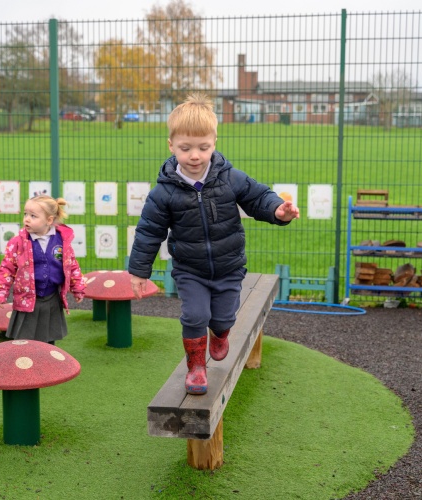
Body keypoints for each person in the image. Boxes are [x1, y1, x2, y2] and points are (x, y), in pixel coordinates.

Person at [128, 93, 299, 395]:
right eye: (185, 148)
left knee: (223, 317)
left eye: (203, 147)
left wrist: (277, 211)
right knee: (195, 316)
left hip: (229, 266)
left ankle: (220, 333)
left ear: (214, 143)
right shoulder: (164, 192)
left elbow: (258, 196)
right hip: (190, 269)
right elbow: (148, 231)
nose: (195, 155)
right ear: (171, 146)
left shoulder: (229, 178)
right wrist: (139, 272)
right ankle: (196, 367)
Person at [0, 195, 86, 345]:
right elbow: (7, 268)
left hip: (51, 298)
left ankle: (47, 359)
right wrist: (1, 291)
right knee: (24, 341)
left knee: (48, 340)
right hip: (27, 298)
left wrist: (78, 287)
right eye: (25, 214)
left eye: (33, 216)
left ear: (49, 220)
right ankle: (23, 359)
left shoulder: (61, 241)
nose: (27, 219)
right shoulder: (18, 242)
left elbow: (71, 265)